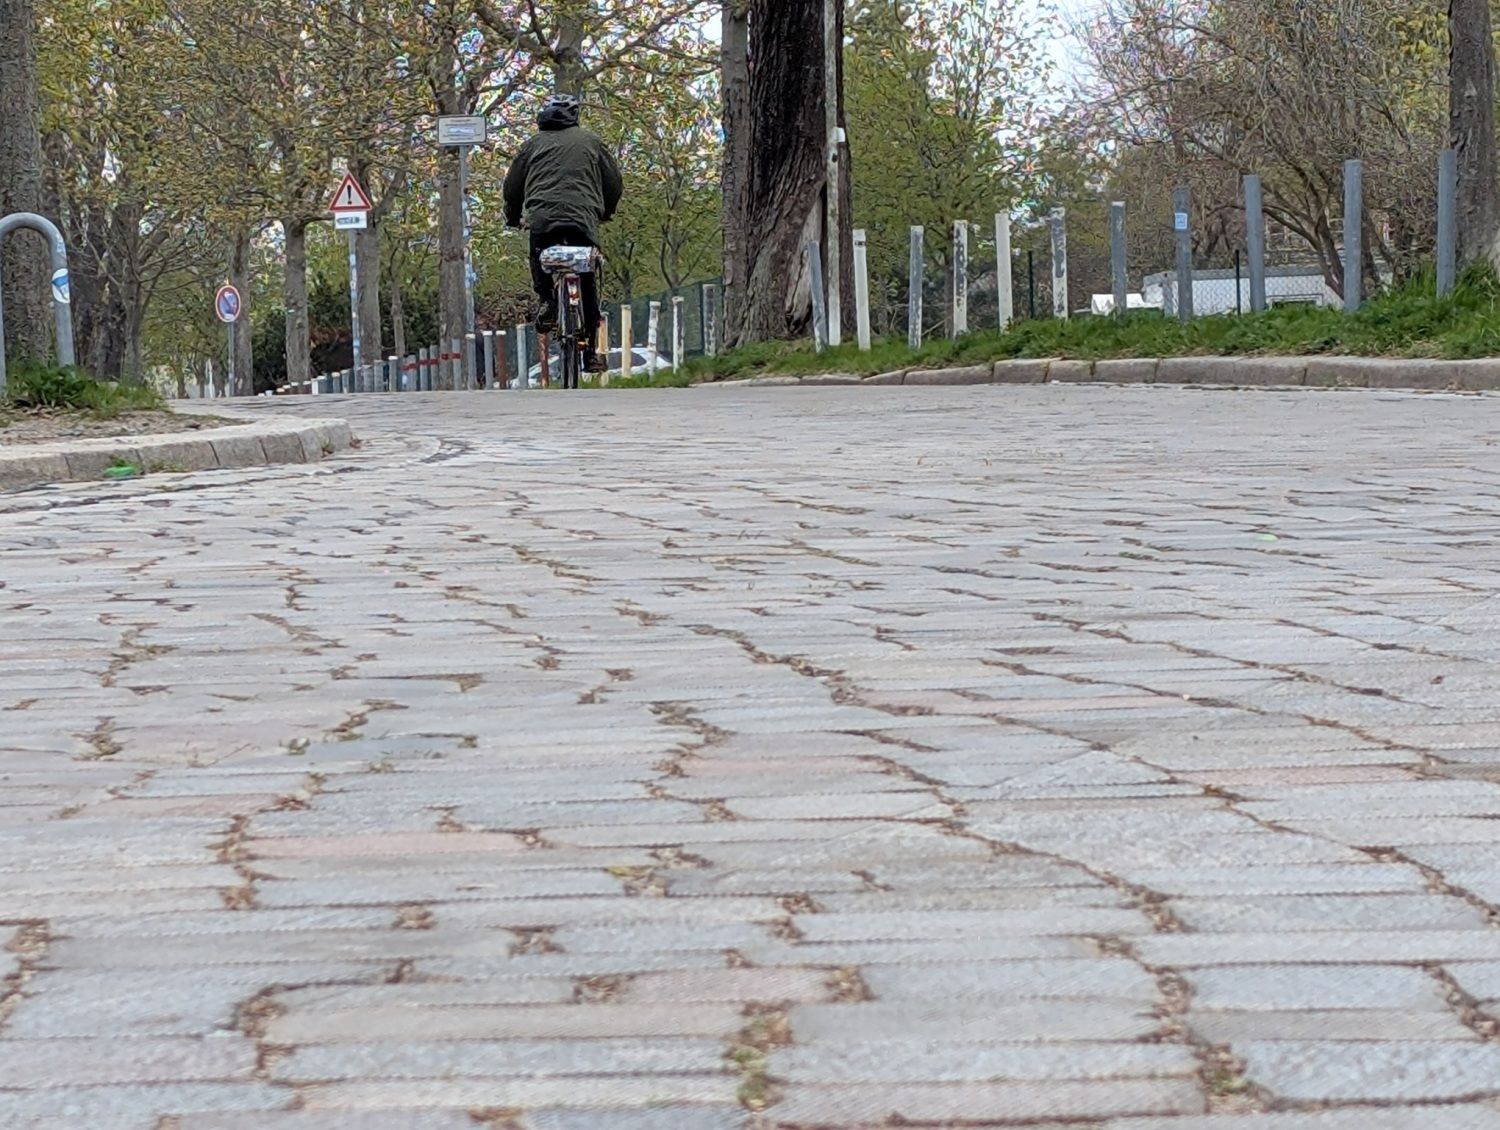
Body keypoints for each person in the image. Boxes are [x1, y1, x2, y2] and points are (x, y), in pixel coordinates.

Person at [503, 93, 623, 373]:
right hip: (584, 221)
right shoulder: (592, 142)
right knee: (588, 279)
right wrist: (606, 210)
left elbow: (512, 188)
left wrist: (512, 217)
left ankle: (546, 299)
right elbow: (614, 182)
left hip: (543, 220)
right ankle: (591, 353)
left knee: (538, 253)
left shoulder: (531, 146)